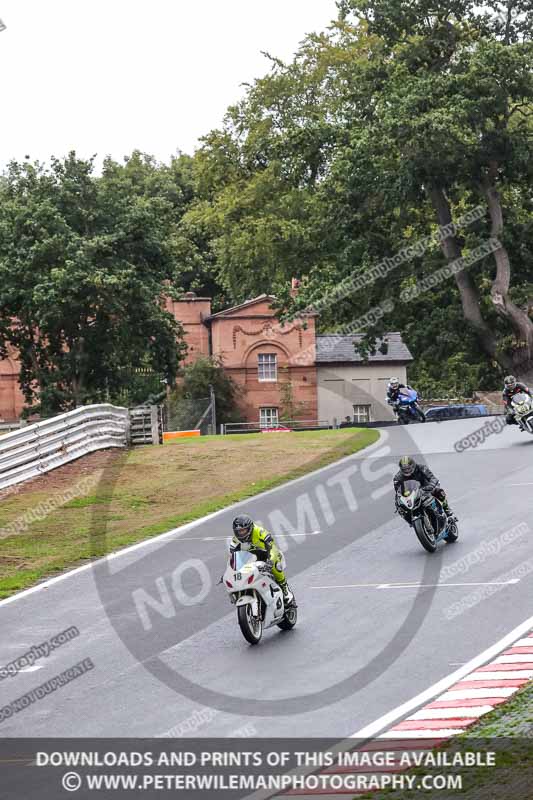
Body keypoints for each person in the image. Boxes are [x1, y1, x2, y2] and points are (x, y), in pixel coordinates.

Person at [230, 515, 294, 605]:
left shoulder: (259, 531)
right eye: (239, 532)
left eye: (243, 530)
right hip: (251, 557)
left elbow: (271, 546)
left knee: (275, 565)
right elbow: (233, 557)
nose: (241, 534)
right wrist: (230, 570)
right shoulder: (235, 541)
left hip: (267, 553)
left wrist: (270, 561)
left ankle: (285, 590)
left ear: (249, 528)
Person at [393, 456, 457, 523]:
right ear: (401, 469)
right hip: (411, 494)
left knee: (438, 491)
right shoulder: (398, 477)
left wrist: (429, 487)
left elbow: (433, 478)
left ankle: (448, 511)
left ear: (413, 465)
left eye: (408, 468)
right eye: (404, 469)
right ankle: (411, 521)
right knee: (400, 507)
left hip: (425, 488)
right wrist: (400, 500)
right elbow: (398, 491)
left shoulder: (422, 468)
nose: (407, 471)